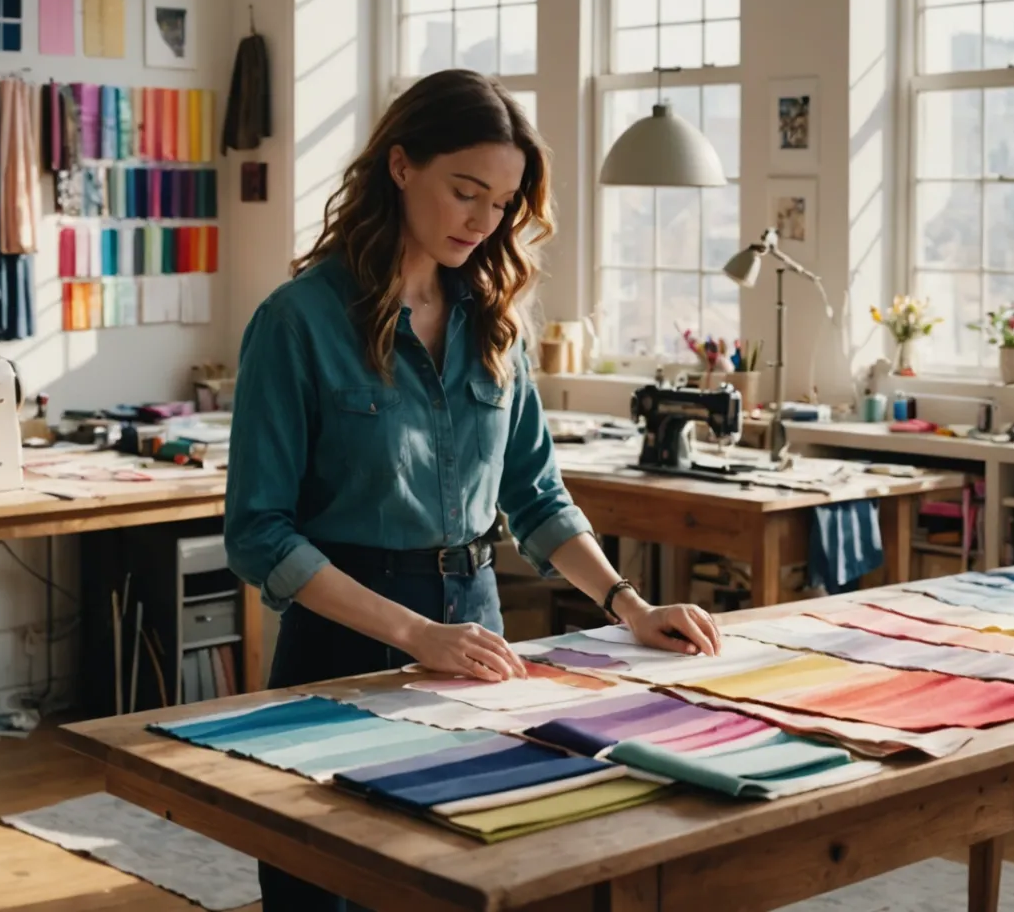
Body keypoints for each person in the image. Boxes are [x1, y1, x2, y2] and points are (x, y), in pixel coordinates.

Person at [227, 68, 722, 911]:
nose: (482, 221)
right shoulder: (297, 322)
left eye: (501, 203)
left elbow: (535, 495)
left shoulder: (495, 320)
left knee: (468, 881)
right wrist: (416, 631)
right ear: (399, 166)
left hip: (475, 642)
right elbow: (259, 534)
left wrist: (631, 607)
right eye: (465, 192)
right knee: (330, 891)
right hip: (346, 641)